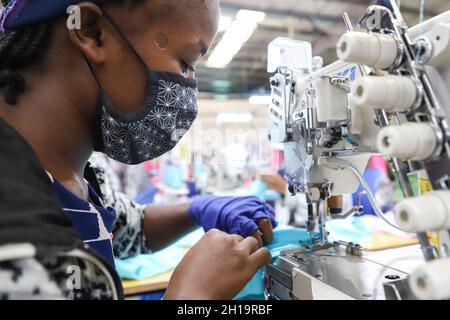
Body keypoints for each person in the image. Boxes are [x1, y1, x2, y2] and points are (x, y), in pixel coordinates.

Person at [0, 0, 276, 300]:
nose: (187, 91)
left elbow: (128, 227)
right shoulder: (15, 224)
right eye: (185, 63)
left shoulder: (76, 177)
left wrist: (197, 208)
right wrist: (191, 299)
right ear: (92, 32)